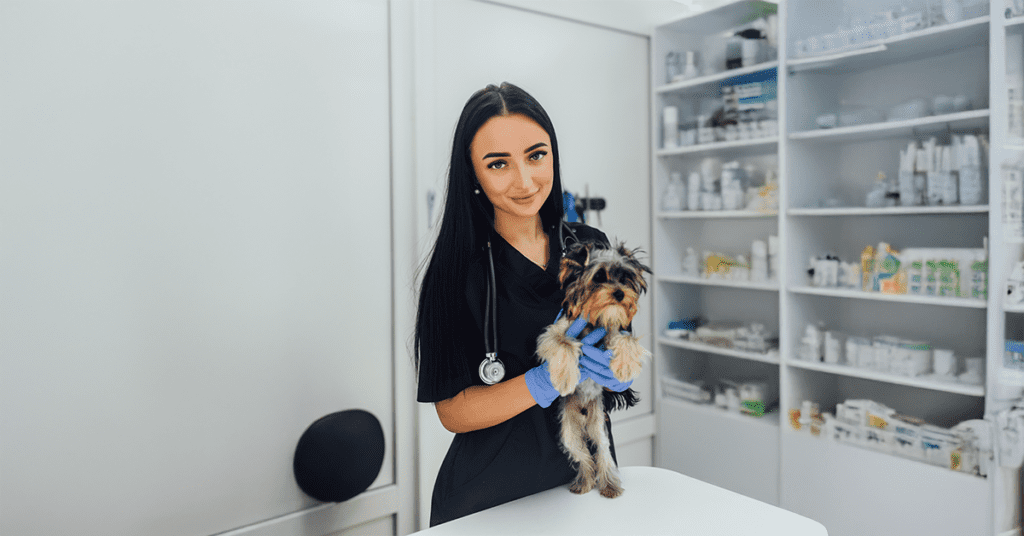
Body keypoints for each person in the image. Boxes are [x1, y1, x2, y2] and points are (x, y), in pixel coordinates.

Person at [414, 82, 637, 527]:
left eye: (536, 155)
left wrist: (617, 372)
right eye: (498, 164)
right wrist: (541, 382)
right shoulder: (454, 272)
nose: (524, 180)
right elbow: (452, 412)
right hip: (491, 501)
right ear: (473, 174)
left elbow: (618, 348)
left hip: (584, 486)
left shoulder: (590, 245)